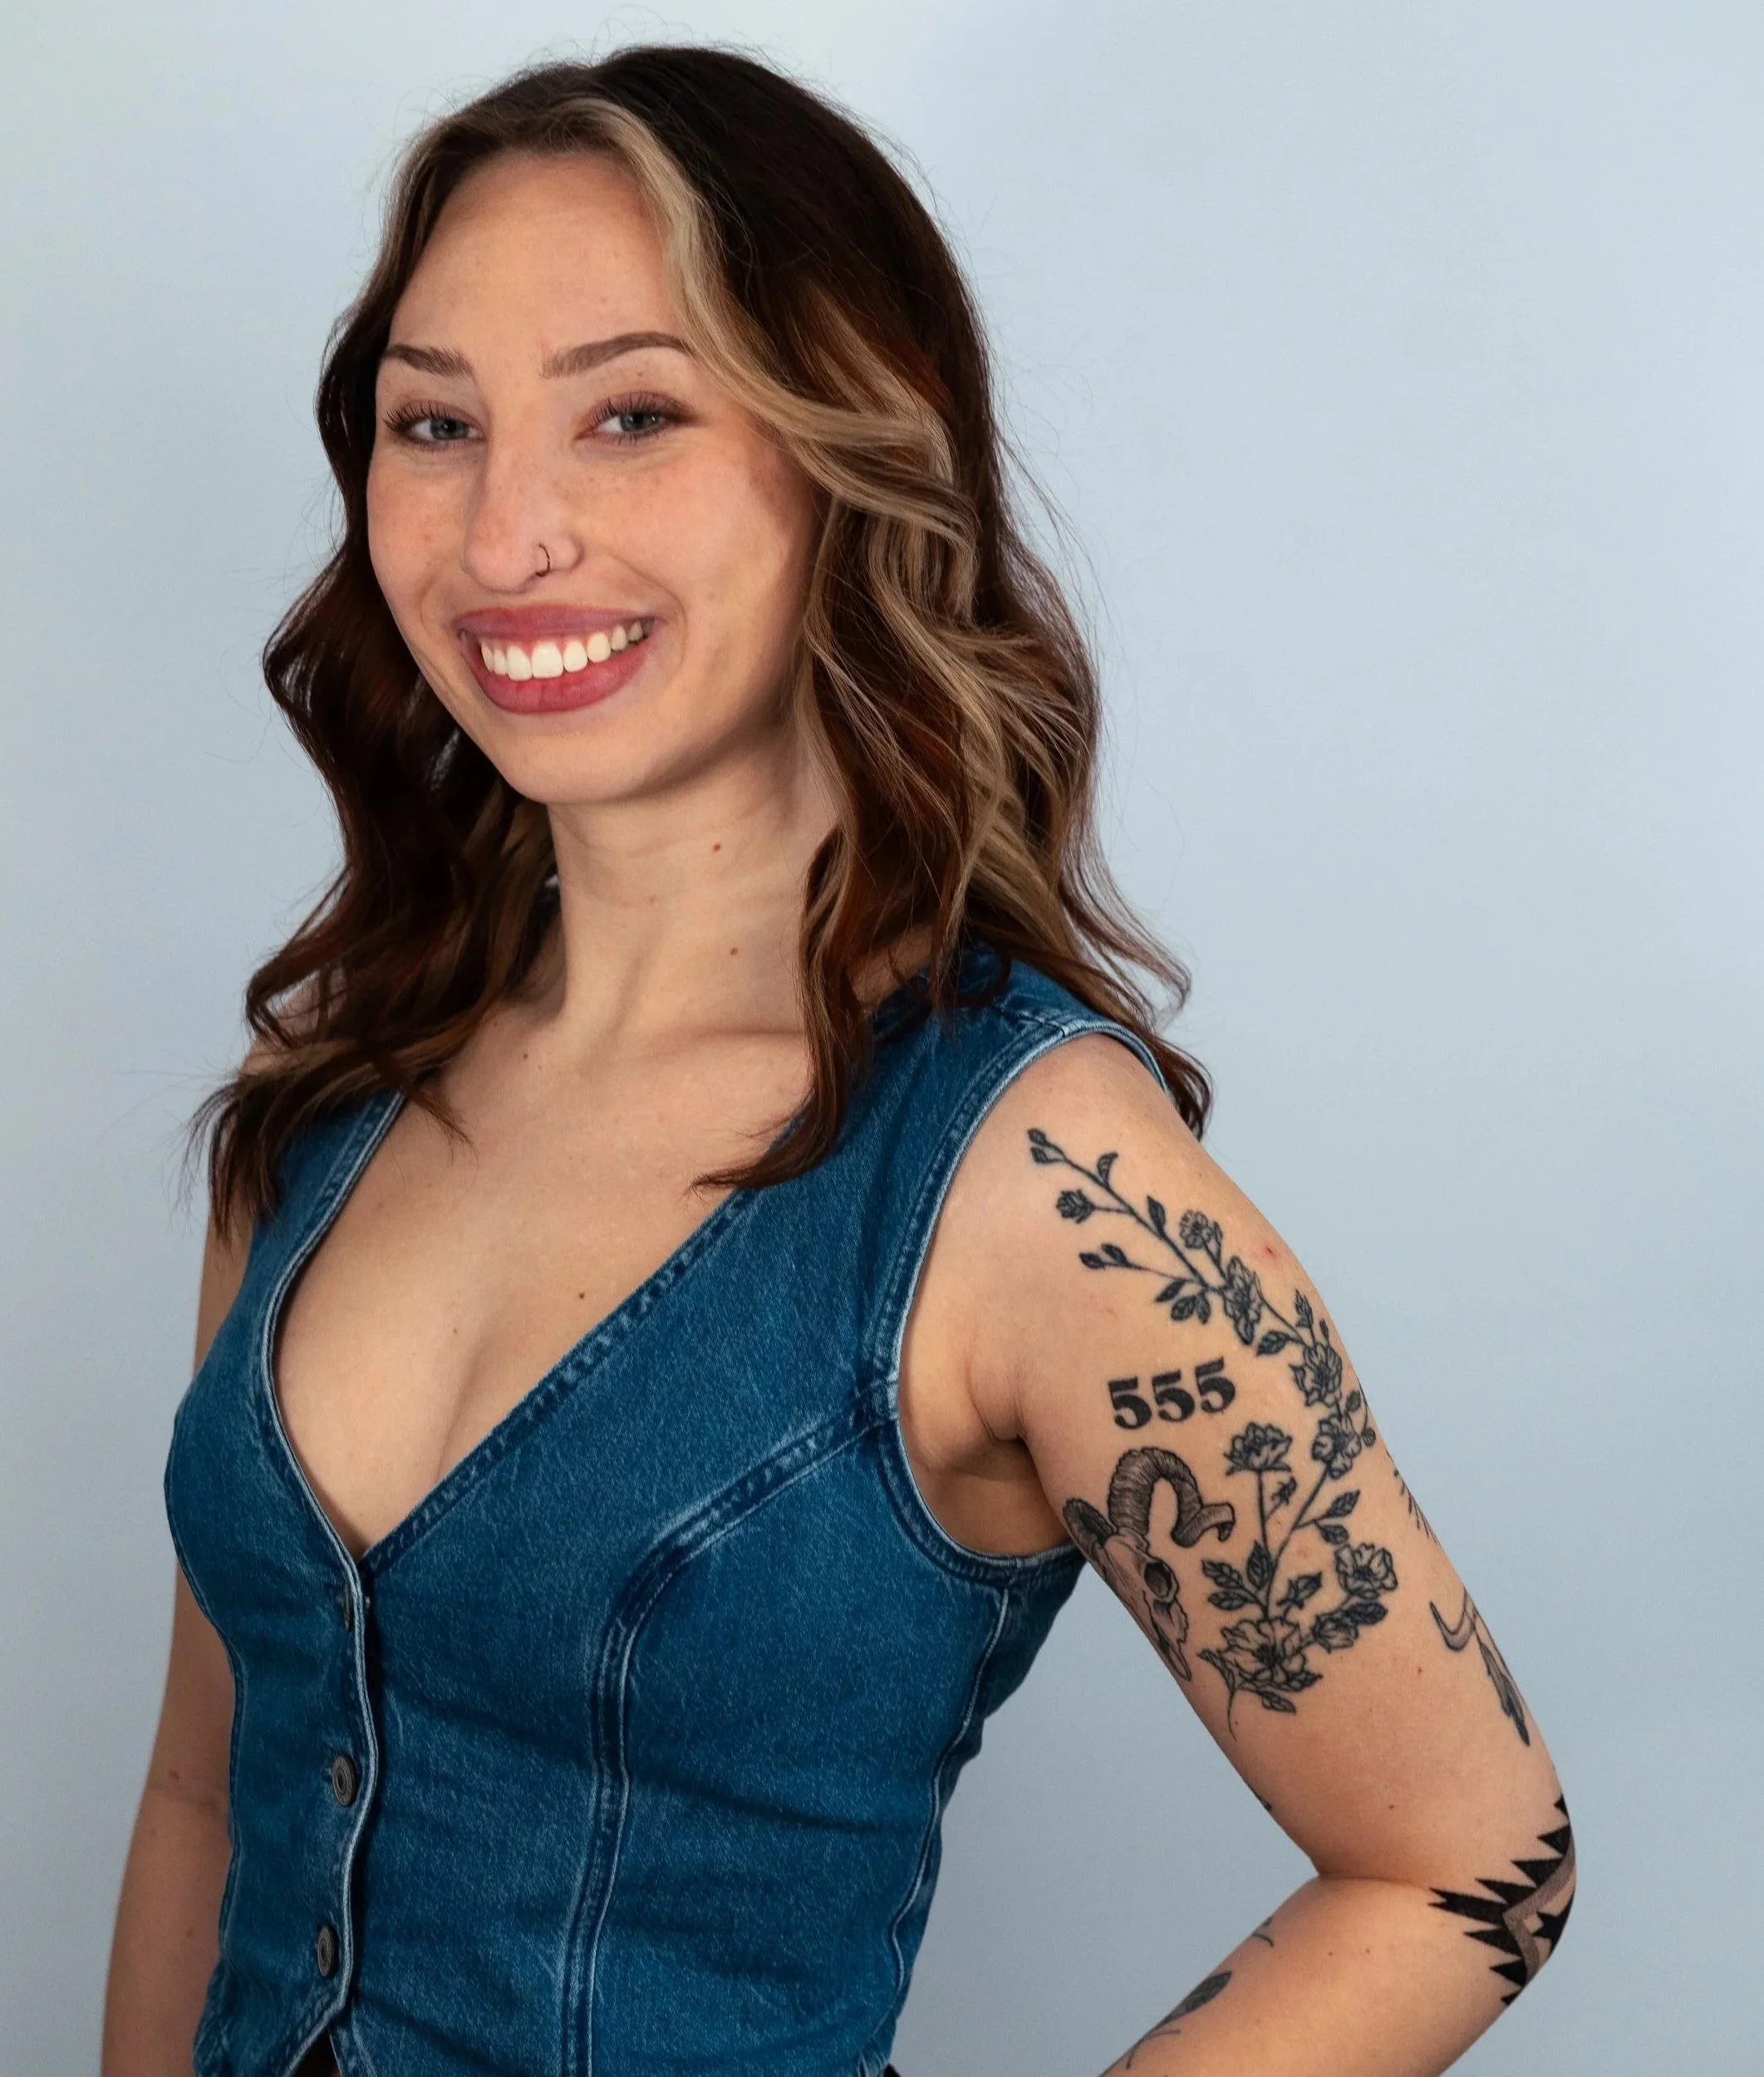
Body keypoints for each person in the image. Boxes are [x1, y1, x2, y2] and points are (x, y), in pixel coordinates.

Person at [101, 46, 1573, 2077]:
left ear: (845, 449)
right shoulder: (337, 1081)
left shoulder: (1042, 1183)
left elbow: (1467, 1860)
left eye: (632, 413)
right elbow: (204, 1793)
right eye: (432, 423)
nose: (504, 529)